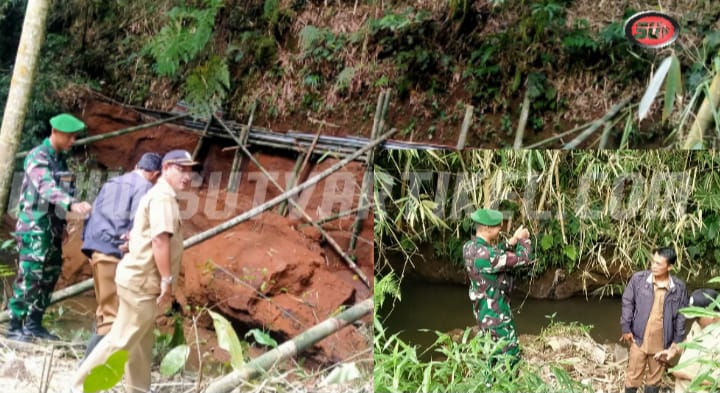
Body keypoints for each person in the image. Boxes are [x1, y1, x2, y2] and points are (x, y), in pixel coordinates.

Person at [71, 149, 197, 393]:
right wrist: (166, 281)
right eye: (182, 169)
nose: (188, 176)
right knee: (120, 338)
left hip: (129, 273)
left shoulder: (154, 193)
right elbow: (160, 240)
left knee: (141, 343)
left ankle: (138, 389)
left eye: (190, 170)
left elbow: (138, 232)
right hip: (141, 280)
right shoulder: (161, 197)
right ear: (166, 167)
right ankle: (79, 386)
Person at [5, 113, 92, 342]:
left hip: (52, 229)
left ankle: (34, 324)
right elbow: (46, 187)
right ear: (55, 132)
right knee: (30, 276)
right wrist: (72, 204)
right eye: (70, 136)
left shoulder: (60, 161)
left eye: (75, 137)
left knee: (50, 275)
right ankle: (15, 326)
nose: (73, 141)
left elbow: (62, 190)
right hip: (35, 227)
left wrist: (63, 224)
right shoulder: (38, 157)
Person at [80, 152, 162, 360]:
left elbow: (92, 215)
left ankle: (90, 368)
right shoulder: (145, 188)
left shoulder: (112, 182)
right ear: (155, 174)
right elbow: (138, 224)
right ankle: (87, 371)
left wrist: (88, 247)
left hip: (96, 250)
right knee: (113, 316)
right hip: (114, 253)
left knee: (104, 312)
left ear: (137, 164)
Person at [463, 208, 532, 368]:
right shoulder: (488, 256)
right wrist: (524, 241)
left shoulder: (469, 248)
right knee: (511, 357)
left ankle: (489, 385)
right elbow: (524, 258)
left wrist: (511, 241)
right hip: (497, 316)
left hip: (482, 313)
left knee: (491, 355)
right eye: (498, 226)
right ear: (487, 228)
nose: (501, 228)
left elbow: (492, 254)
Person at [620, 247, 688, 393]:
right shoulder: (638, 279)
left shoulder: (679, 288)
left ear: (670, 266)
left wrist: (675, 343)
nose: (653, 266)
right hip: (638, 339)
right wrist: (625, 327)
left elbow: (682, 316)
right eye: (653, 262)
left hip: (662, 344)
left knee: (655, 379)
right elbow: (627, 302)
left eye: (659, 264)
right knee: (633, 375)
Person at [654, 288, 720, 393]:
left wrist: (685, 375)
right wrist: (674, 350)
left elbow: (716, 382)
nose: (695, 321)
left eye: (698, 317)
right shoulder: (698, 325)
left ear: (711, 314)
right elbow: (689, 342)